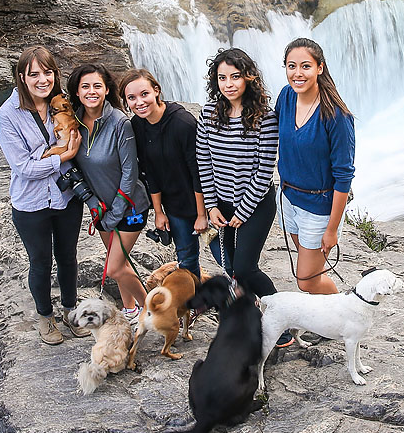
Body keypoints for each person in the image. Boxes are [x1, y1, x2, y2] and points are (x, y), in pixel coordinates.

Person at [0, 46, 89, 345]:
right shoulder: (9, 114)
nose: (42, 80)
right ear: (22, 77)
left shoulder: (62, 104)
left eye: (47, 73)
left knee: (68, 257)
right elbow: (23, 168)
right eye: (34, 74)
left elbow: (80, 139)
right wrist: (63, 156)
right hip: (30, 202)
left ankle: (70, 312)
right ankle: (45, 317)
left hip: (66, 197)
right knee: (40, 261)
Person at [68, 64, 151, 323]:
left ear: (106, 90)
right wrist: (93, 203)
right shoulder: (74, 122)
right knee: (121, 266)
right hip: (100, 209)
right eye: (85, 86)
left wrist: (115, 212)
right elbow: (71, 163)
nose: (91, 91)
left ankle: (152, 310)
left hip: (130, 208)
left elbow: (130, 173)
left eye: (97, 86)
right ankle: (130, 312)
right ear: (77, 92)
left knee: (114, 267)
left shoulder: (119, 123)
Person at [196, 48, 279, 299]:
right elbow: (204, 162)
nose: (228, 84)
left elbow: (264, 171)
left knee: (245, 268)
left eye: (235, 77)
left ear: (248, 78)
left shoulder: (265, 117)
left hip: (256, 204)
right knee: (230, 266)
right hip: (221, 204)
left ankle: (283, 319)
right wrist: (211, 206)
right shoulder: (208, 113)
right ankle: (249, 314)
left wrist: (243, 212)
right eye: (222, 78)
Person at [274, 37, 355, 295]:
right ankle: (324, 318)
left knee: (306, 279)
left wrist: (332, 229)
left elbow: (344, 176)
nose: (298, 73)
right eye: (291, 66)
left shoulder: (336, 116)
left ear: (320, 68)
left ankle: (341, 313)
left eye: (306, 66)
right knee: (310, 269)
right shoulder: (286, 97)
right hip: (288, 199)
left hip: (318, 208)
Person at [121, 69, 207, 279]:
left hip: (203, 201)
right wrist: (159, 212)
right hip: (173, 204)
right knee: (186, 258)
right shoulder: (137, 125)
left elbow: (198, 171)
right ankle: (194, 303)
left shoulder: (182, 123)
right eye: (131, 98)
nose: (139, 102)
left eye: (144, 94)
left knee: (225, 260)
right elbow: (149, 171)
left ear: (156, 91)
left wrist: (201, 214)